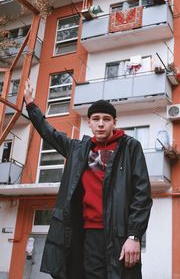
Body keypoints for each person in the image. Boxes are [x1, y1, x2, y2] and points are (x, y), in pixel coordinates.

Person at [24, 80, 152, 279]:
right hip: (89, 233)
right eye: (96, 118)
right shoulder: (78, 149)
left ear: (114, 122)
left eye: (106, 119)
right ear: (89, 122)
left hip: (120, 235)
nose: (101, 123)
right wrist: (30, 103)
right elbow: (49, 133)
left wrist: (134, 236)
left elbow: (142, 195)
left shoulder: (130, 147)